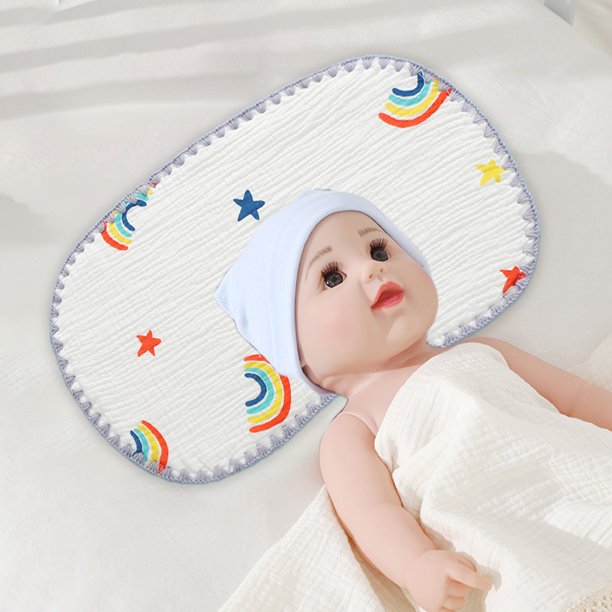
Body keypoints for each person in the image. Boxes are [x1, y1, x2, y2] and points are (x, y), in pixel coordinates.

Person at [214, 188, 612, 612]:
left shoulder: (486, 353)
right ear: (296, 351)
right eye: (332, 277)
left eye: (379, 250)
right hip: (503, 540)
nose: (371, 268)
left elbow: (574, 399)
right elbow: (374, 515)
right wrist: (415, 564)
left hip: (586, 481)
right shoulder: (354, 430)